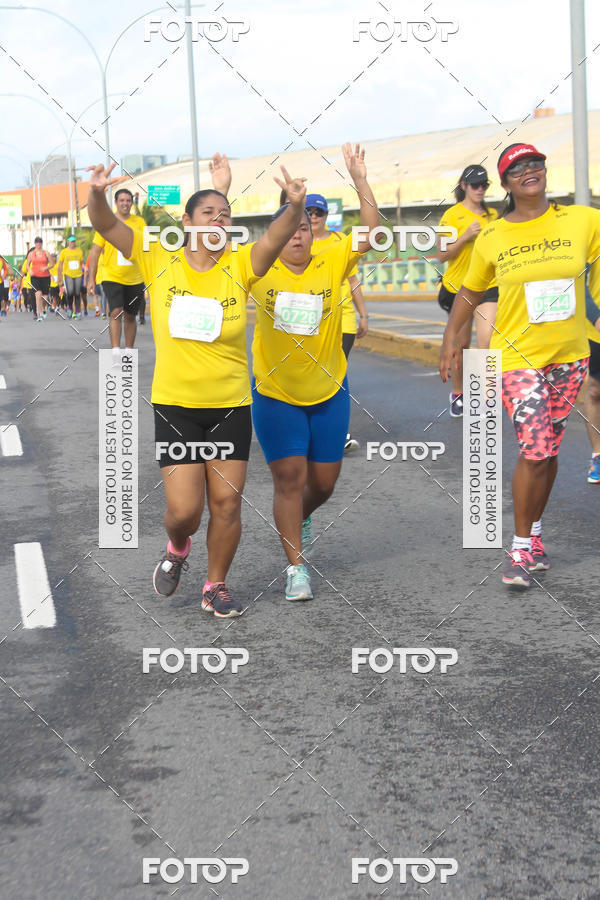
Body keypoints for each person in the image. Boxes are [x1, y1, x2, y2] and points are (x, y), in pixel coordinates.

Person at [86, 158, 308, 617]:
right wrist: (97, 193)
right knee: (186, 511)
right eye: (208, 213)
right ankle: (178, 545)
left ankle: (216, 584)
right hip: (177, 405)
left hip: (230, 405)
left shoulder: (241, 264)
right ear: (186, 222)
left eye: (225, 216)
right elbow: (106, 224)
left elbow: (275, 236)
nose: (219, 221)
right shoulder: (157, 258)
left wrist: (294, 205)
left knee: (226, 503)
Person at [440, 142, 600, 588]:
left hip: (570, 354)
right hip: (516, 357)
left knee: (548, 451)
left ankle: (536, 533)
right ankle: (520, 547)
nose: (529, 171)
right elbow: (470, 292)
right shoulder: (492, 235)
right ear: (507, 183)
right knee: (534, 448)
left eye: (536, 163)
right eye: (518, 168)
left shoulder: (584, 220)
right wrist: (452, 340)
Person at [250, 144, 379, 602]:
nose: (299, 235)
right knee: (288, 478)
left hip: (328, 390)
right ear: (277, 233)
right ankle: (295, 568)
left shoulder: (334, 258)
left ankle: (298, 517)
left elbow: (374, 232)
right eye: (290, 227)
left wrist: (360, 179)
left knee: (322, 484)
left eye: (306, 227)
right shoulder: (258, 269)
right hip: (276, 392)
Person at [304, 193, 369, 453]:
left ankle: (337, 432)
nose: (314, 217)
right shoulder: (299, 242)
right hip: (312, 319)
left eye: (319, 212)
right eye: (309, 212)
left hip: (343, 318)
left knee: (336, 372)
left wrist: (363, 313)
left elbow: (353, 281)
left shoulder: (341, 241)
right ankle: (314, 427)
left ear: (326, 216)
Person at [437, 166, 498, 416]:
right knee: (461, 345)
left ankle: (486, 397)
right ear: (464, 186)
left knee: (488, 340)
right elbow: (442, 254)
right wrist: (465, 236)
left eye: (484, 185)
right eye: (475, 185)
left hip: (489, 286)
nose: (480, 189)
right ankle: (458, 393)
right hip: (459, 287)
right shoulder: (451, 215)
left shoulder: (493, 215)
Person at [87, 188, 146, 360]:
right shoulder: (108, 222)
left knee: (130, 315)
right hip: (111, 275)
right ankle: (115, 351)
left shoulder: (140, 222)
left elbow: (147, 249)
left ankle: (128, 351)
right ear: (116, 202)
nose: (125, 203)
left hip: (135, 277)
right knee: (116, 311)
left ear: (131, 203)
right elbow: (95, 252)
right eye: (122, 200)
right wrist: (91, 279)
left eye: (128, 200)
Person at [584, 280, 600, 483]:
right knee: (596, 389)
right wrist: (596, 318)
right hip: (596, 329)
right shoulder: (590, 246)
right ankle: (598, 454)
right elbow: (579, 283)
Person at [58, 235, 84, 318]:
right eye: (71, 241)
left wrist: (85, 267)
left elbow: (81, 262)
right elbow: (60, 264)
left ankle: (78, 311)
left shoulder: (79, 251)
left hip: (78, 274)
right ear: (68, 242)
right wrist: (60, 276)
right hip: (68, 274)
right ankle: (69, 308)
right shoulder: (64, 252)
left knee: (77, 293)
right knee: (70, 292)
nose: (73, 243)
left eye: (74, 241)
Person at [28, 237, 51, 321]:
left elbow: (52, 263)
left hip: (45, 277)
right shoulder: (31, 254)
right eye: (36, 242)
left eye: (40, 242)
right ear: (35, 244)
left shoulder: (46, 253)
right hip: (35, 277)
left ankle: (43, 308)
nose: (38, 244)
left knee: (45, 297)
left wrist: (46, 267)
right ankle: (40, 314)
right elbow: (27, 265)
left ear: (42, 243)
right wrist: (30, 270)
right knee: (38, 294)